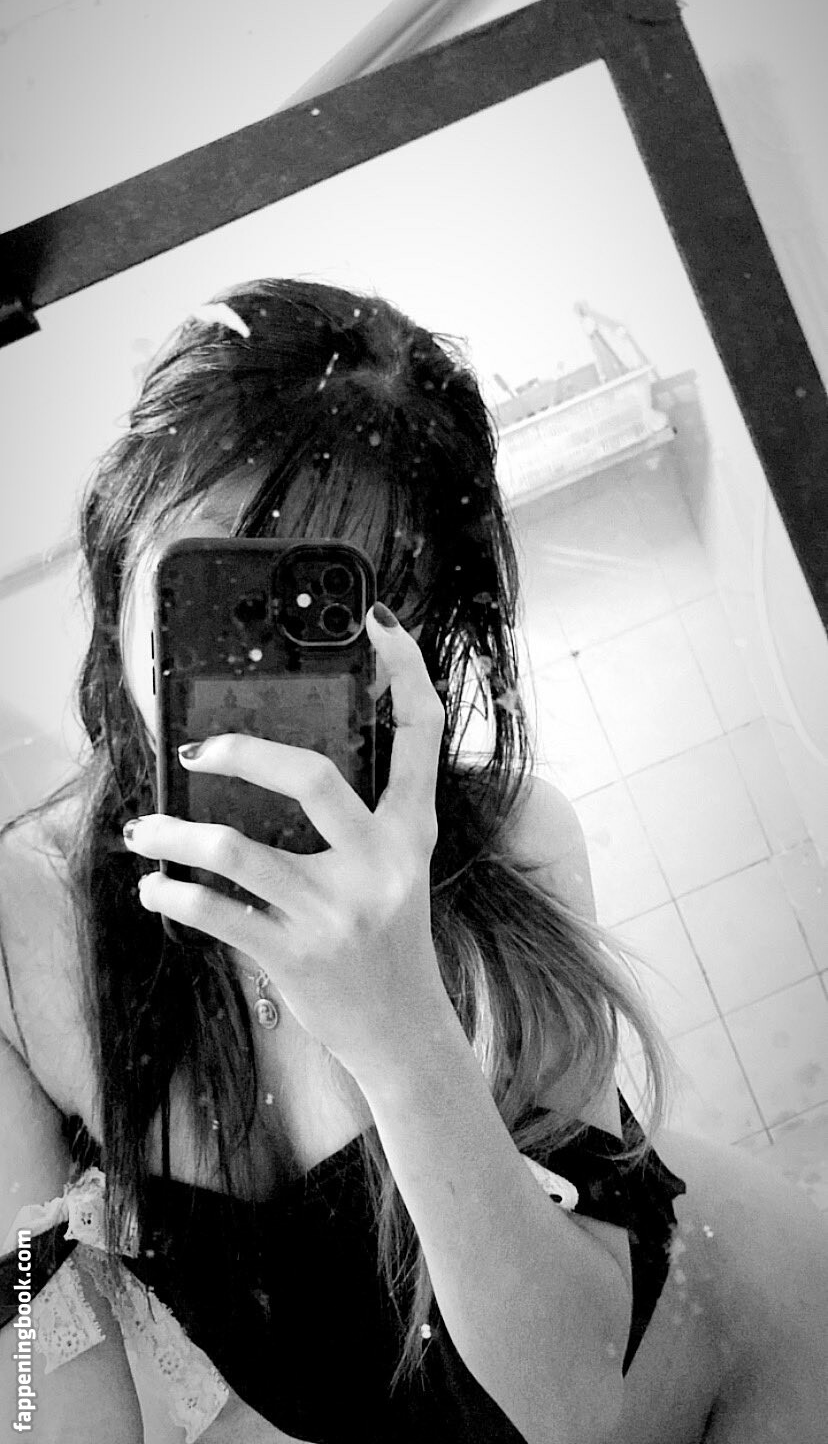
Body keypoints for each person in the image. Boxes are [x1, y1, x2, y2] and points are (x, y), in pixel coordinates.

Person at [0, 278, 825, 1444]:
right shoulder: (24, 927)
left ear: (409, 632)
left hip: (741, 1354)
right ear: (124, 548)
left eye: (319, 603)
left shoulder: (512, 847)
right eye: (217, 581)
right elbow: (36, 1363)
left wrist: (397, 1026)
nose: (255, 663)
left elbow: (575, 1404)